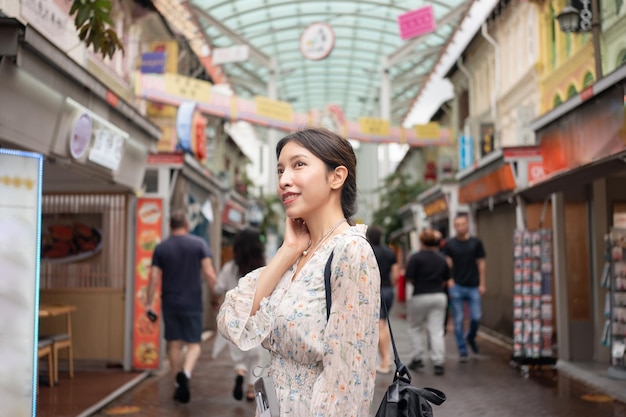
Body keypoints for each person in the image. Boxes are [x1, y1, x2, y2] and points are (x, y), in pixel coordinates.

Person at [217, 127, 380, 416]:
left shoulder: (350, 252)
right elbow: (232, 322)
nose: (284, 180)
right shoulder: (300, 252)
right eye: (280, 170)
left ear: (336, 176)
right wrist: (288, 250)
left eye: (298, 165)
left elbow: (348, 385)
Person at [145, 210, 217, 404]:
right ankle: (186, 373)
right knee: (194, 344)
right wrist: (216, 296)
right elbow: (210, 273)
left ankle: (178, 382)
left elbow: (153, 277)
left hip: (170, 302)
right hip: (193, 302)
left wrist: (148, 303)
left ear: (170, 226)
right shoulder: (199, 244)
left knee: (174, 343)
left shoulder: (161, 248)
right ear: (186, 224)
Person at [213, 228, 269, 402]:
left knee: (238, 350)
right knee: (257, 354)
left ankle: (240, 370)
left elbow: (218, 288)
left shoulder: (230, 268)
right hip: (256, 317)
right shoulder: (264, 267)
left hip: (234, 318)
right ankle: (251, 389)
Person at [404, 229, 449, 376]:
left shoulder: (415, 258)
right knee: (436, 330)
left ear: (421, 241)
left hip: (420, 296)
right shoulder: (442, 258)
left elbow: (409, 278)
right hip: (439, 296)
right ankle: (438, 362)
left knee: (415, 327)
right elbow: (446, 279)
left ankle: (417, 358)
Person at [442, 214, 486, 362]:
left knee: (476, 317)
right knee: (459, 319)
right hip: (457, 286)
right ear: (454, 226)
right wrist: (449, 279)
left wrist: (482, 283)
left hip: (473, 285)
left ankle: (471, 337)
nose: (460, 227)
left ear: (467, 225)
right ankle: (462, 350)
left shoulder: (476, 242)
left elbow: (481, 263)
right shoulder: (450, 244)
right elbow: (446, 263)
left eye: (463, 224)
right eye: (457, 224)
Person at [366, 225, 399, 374]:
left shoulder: (367, 252)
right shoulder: (390, 252)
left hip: (374, 290)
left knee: (380, 324)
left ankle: (386, 361)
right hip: (388, 290)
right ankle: (384, 359)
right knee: (382, 323)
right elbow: (396, 275)